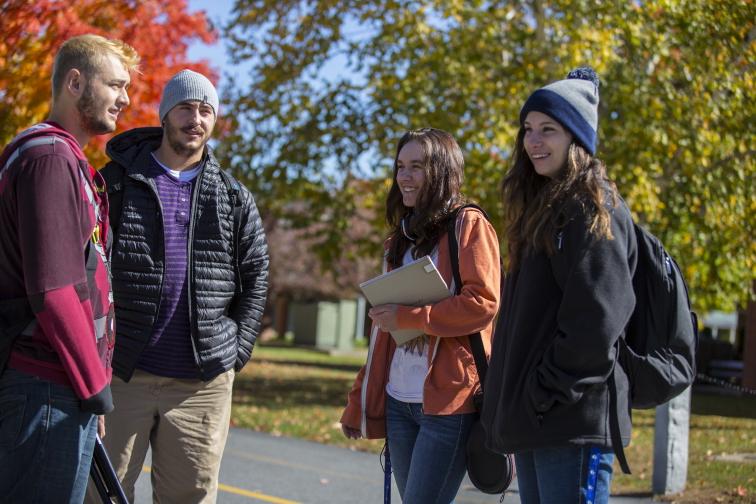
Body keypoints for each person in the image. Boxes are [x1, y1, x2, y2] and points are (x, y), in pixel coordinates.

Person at [90, 70, 269, 503]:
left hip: (200, 386)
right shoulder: (114, 183)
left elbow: (256, 276)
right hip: (123, 377)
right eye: (186, 107)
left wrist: (234, 350)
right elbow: (86, 272)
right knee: (100, 495)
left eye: (206, 110)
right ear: (165, 114)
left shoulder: (232, 196)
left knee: (190, 498)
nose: (196, 118)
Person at [480, 68, 638, 504]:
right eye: (528, 129)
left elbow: (595, 325)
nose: (533, 141)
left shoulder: (592, 209)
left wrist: (541, 392)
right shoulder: (543, 211)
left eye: (548, 129)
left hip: (570, 421)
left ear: (577, 139)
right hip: (539, 420)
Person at [0, 34, 139, 503]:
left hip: (61, 389)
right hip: (43, 391)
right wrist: (95, 386)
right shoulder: (48, 157)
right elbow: (55, 290)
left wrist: (89, 388)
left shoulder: (66, 159)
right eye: (115, 85)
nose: (126, 99)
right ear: (75, 83)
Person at [340, 128, 501, 503]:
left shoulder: (469, 225)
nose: (405, 177)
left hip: (449, 403)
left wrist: (412, 317)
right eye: (400, 166)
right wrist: (358, 399)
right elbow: (384, 331)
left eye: (417, 166)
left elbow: (483, 304)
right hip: (399, 401)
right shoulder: (398, 240)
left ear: (442, 170)